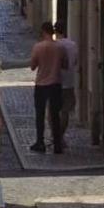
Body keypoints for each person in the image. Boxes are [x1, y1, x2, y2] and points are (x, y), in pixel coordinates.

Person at [30, 21, 67, 154]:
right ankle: (57, 144)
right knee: (55, 114)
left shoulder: (38, 47)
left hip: (41, 84)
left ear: (43, 31)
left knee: (40, 114)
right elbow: (65, 65)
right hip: (55, 82)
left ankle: (40, 142)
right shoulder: (60, 48)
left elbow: (33, 66)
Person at [54, 22, 79, 141]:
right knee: (65, 112)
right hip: (69, 83)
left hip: (54, 83)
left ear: (55, 31)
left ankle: (56, 136)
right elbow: (75, 62)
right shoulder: (73, 45)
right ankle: (61, 135)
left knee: (53, 111)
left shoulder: (53, 45)